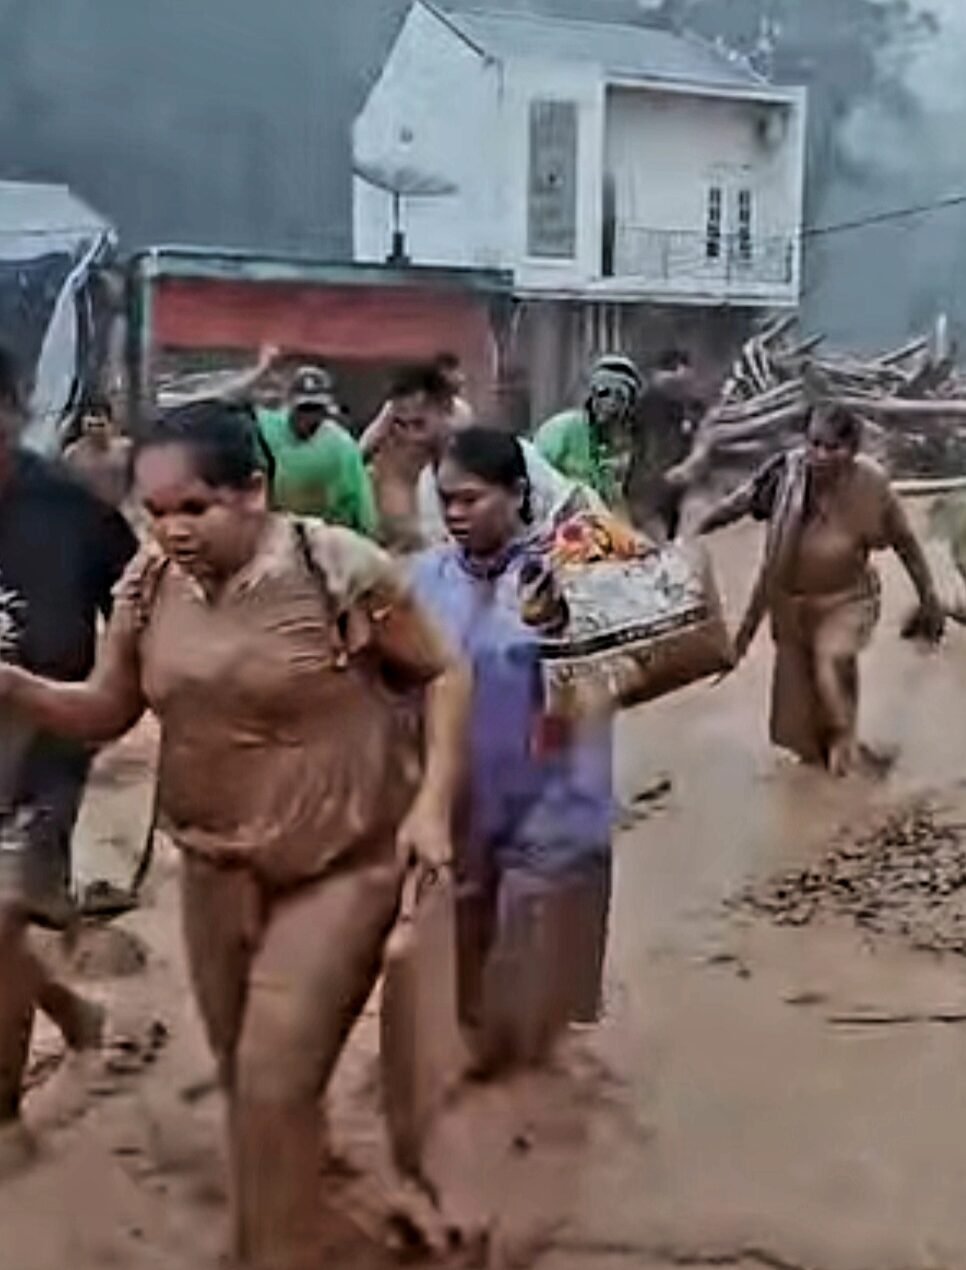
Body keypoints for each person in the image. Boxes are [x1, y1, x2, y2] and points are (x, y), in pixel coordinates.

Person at [0, 398, 468, 1270]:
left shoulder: (337, 567)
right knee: (250, 1079)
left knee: (268, 1077)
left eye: (194, 508)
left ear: (254, 490)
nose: (171, 530)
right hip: (214, 862)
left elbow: (444, 674)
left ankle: (274, 1250)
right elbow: (107, 709)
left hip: (340, 864)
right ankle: (306, 1193)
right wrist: (19, 688)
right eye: (156, 511)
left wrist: (433, 806)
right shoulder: (147, 586)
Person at [411, 427, 613, 1069]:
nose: (454, 514)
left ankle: (521, 1072)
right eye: (445, 500)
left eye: (470, 499)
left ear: (518, 494)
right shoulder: (422, 580)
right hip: (460, 792)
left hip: (550, 791)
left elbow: (628, 668)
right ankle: (472, 1042)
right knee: (462, 930)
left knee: (533, 942)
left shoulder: (566, 572)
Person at [0, 348, 138, 1169]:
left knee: (1, 917)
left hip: (42, 748)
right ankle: (75, 1016)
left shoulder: (74, 510)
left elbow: (144, 606)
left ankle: (4, 1114)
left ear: (14, 411)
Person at [697, 405, 944, 776]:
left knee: (833, 660)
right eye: (813, 444)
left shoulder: (872, 485)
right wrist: (690, 534)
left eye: (833, 448)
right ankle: (833, 771)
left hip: (848, 598)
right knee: (802, 737)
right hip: (791, 604)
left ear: (854, 449)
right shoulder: (785, 474)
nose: (820, 456)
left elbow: (905, 543)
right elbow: (738, 505)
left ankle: (849, 748)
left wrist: (929, 598)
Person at [258, 364, 378, 536]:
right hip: (272, 527)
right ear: (289, 406)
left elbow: (361, 503)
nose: (309, 418)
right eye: (304, 410)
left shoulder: (340, 445)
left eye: (316, 410)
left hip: (322, 532)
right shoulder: (264, 429)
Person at [534, 354, 643, 507]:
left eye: (619, 396)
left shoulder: (626, 444)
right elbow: (534, 477)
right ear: (592, 394)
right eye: (604, 392)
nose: (610, 402)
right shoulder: (561, 430)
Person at [625, 348, 703, 541]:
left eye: (683, 372)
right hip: (645, 490)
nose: (679, 378)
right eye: (671, 371)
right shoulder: (642, 406)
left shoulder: (693, 408)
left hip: (679, 491)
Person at [62, 397, 133, 510]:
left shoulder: (127, 450)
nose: (95, 432)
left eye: (99, 425)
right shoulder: (73, 454)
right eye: (90, 426)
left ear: (110, 424)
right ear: (83, 426)